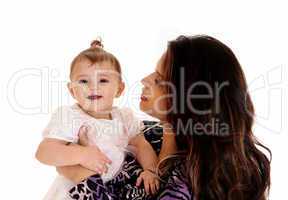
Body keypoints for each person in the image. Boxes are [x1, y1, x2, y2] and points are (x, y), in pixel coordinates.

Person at [60, 35, 272, 200]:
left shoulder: (191, 179)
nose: (144, 80)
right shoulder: (148, 132)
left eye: (160, 80)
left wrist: (76, 170)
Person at [35, 40, 159, 199]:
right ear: (72, 90)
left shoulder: (124, 118)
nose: (93, 87)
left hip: (114, 187)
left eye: (103, 80)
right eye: (83, 81)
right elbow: (44, 152)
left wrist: (150, 170)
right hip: (75, 189)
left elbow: (142, 145)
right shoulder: (71, 116)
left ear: (119, 89)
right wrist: (81, 154)